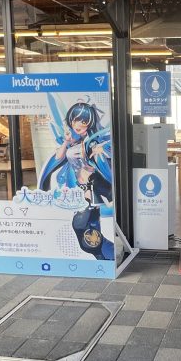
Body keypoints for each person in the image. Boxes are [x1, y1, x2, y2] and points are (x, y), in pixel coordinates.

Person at [39, 99, 114, 259]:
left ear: (90, 123)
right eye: (75, 120)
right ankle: (105, 257)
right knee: (88, 226)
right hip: (78, 190)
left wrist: (100, 149)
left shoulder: (92, 142)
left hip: (90, 190)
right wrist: (66, 141)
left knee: (81, 225)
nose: (78, 124)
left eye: (83, 121)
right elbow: (59, 157)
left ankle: (106, 256)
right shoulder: (76, 141)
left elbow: (99, 157)